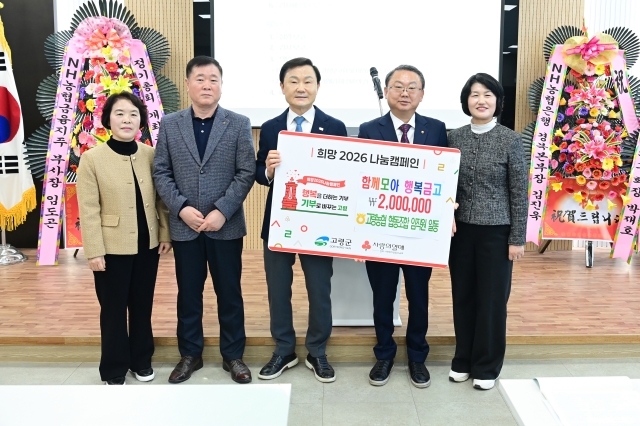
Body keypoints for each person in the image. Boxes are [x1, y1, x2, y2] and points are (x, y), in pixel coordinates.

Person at [153, 56, 256, 384]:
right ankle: (190, 355)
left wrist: (222, 211)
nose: (207, 85)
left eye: (213, 79)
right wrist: (181, 208)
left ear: (221, 85)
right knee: (188, 295)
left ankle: (233, 356)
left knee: (230, 294)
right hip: (185, 226)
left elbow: (246, 172)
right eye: (200, 79)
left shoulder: (238, 123)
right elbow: (161, 171)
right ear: (188, 84)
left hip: (225, 226)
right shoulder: (170, 124)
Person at [255, 57, 347, 383]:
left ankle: (317, 351)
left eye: (308, 81)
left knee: (319, 289)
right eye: (293, 81)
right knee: (278, 289)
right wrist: (268, 169)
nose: (301, 87)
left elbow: (345, 174)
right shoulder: (270, 127)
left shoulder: (335, 127)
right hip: (279, 222)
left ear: (318, 87)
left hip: (319, 223)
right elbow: (259, 173)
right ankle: (284, 349)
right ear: (282, 87)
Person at [358, 65, 447, 388]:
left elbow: (446, 176)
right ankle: (384, 354)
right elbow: (360, 180)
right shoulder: (370, 129)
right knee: (383, 297)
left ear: (422, 94)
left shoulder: (437, 129)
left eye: (412, 87)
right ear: (386, 92)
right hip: (381, 228)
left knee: (418, 296)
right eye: (397, 86)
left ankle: (417, 356)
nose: (405, 93)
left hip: (421, 231)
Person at [77, 91, 172, 385]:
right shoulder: (92, 159)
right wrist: (94, 251)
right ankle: (114, 368)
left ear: (141, 121)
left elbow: (160, 200)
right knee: (114, 310)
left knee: (142, 307)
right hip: (111, 247)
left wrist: (165, 233)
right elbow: (88, 209)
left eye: (133, 114)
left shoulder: (150, 154)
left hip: (147, 245)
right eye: (119, 113)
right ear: (108, 120)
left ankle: (141, 361)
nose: (127, 119)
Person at [447, 73, 527, 390]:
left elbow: (519, 192)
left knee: (492, 302)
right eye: (474, 94)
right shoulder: (454, 138)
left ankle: (487, 366)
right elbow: (445, 185)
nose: (481, 100)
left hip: (497, 233)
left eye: (488, 95)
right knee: (463, 296)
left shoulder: (511, 139)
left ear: (497, 101)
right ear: (466, 101)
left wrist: (517, 238)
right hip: (461, 232)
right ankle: (463, 360)